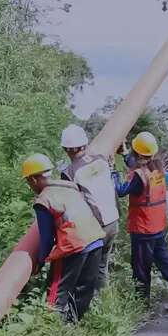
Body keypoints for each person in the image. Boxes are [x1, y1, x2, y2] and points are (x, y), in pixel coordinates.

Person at [22, 153, 105, 323]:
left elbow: (46, 238)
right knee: (83, 289)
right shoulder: (69, 187)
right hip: (95, 239)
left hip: (74, 245)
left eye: (28, 181)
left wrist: (40, 261)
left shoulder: (44, 199)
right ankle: (72, 324)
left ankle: (51, 325)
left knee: (57, 292)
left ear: (33, 179)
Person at [111, 132, 168, 313]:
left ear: (138, 154)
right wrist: (124, 154)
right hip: (157, 227)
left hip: (143, 229)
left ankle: (141, 306)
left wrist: (113, 171)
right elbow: (136, 165)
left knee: (140, 268)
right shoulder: (157, 169)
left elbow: (122, 190)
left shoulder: (139, 176)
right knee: (166, 263)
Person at [60, 124, 120, 293]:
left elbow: (69, 205)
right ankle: (102, 300)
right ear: (85, 145)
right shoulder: (101, 160)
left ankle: (85, 305)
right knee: (102, 266)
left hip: (96, 227)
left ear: (66, 149)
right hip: (113, 221)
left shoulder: (70, 172)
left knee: (86, 271)